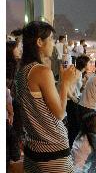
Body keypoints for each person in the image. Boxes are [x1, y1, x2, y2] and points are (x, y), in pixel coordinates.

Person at [15, 21, 77, 172]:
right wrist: (64, 83)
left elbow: (42, 105)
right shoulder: (42, 71)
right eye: (51, 39)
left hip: (33, 149)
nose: (53, 44)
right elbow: (60, 113)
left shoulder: (22, 70)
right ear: (39, 42)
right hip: (53, 151)